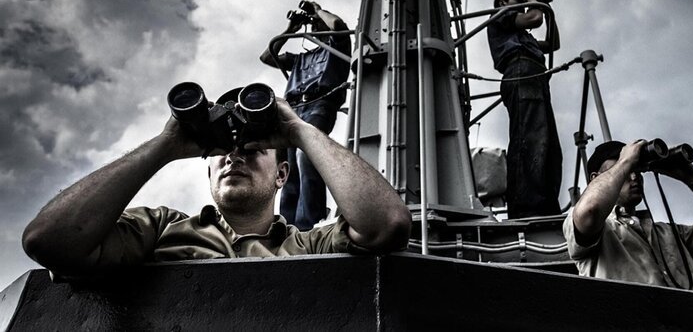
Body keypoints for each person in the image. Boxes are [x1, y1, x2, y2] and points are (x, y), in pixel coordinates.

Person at [22, 96, 411, 278]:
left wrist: (299, 131)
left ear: (282, 176)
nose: (234, 156)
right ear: (207, 170)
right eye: (224, 150)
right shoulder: (159, 230)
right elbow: (48, 240)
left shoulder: (309, 246)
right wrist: (166, 145)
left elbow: (387, 225)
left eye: (255, 149)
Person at [563, 140, 693, 291]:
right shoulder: (596, 228)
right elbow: (589, 211)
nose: (633, 177)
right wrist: (626, 160)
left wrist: (691, 177)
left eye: (637, 171)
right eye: (625, 172)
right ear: (595, 179)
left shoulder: (669, 235)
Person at [260, 1, 351, 230]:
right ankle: (287, 225)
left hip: (320, 103)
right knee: (286, 165)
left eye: (320, 24)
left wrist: (318, 10)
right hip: (293, 108)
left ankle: (308, 222)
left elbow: (338, 25)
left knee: (306, 154)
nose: (316, 27)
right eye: (314, 25)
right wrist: (291, 27)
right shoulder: (301, 58)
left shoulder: (337, 49)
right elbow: (267, 56)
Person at [487, 0, 562, 218]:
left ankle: (546, 204)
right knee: (529, 138)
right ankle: (526, 207)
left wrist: (546, 8)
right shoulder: (501, 16)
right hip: (520, 71)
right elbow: (534, 19)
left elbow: (553, 44)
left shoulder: (523, 37)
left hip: (535, 76)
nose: (522, 2)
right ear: (502, 3)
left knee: (548, 145)